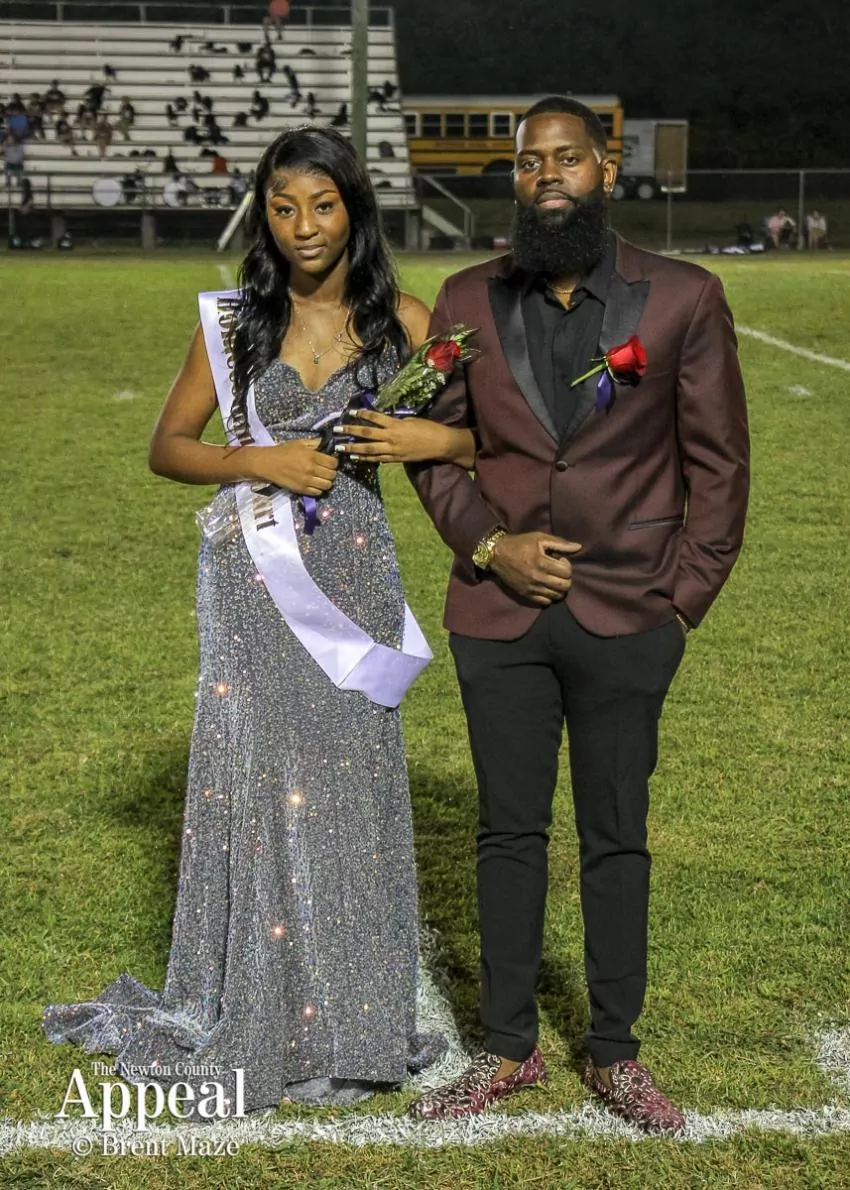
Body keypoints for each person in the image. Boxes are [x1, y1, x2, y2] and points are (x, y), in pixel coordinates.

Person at [42, 125, 476, 1115]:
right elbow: (168, 445)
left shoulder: (407, 321)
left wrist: (429, 438)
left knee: (350, 789)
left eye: (322, 205)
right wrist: (259, 460)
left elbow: (478, 439)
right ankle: (263, 1005)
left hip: (354, 577)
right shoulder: (235, 322)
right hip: (252, 581)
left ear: (354, 209)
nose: (304, 226)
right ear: (264, 216)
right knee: (261, 781)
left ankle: (352, 1012)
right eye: (283, 208)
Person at [392, 95, 750, 1133]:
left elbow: (721, 465)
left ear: (606, 167)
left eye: (567, 158)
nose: (547, 175)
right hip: (496, 612)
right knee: (507, 831)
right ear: (514, 179)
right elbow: (430, 446)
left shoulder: (682, 296)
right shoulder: (464, 297)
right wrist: (487, 544)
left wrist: (680, 603)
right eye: (528, 162)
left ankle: (615, 1051)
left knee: (615, 835)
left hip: (630, 614)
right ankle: (507, 1047)